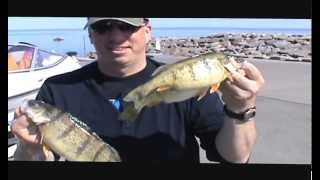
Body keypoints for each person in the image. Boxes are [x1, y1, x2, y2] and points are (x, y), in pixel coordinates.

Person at [10, 18, 265, 162]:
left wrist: (241, 108)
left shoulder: (192, 85)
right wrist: (28, 148)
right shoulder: (57, 90)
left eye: (127, 26)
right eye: (103, 26)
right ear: (90, 34)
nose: (116, 36)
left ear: (148, 31)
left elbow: (235, 157)